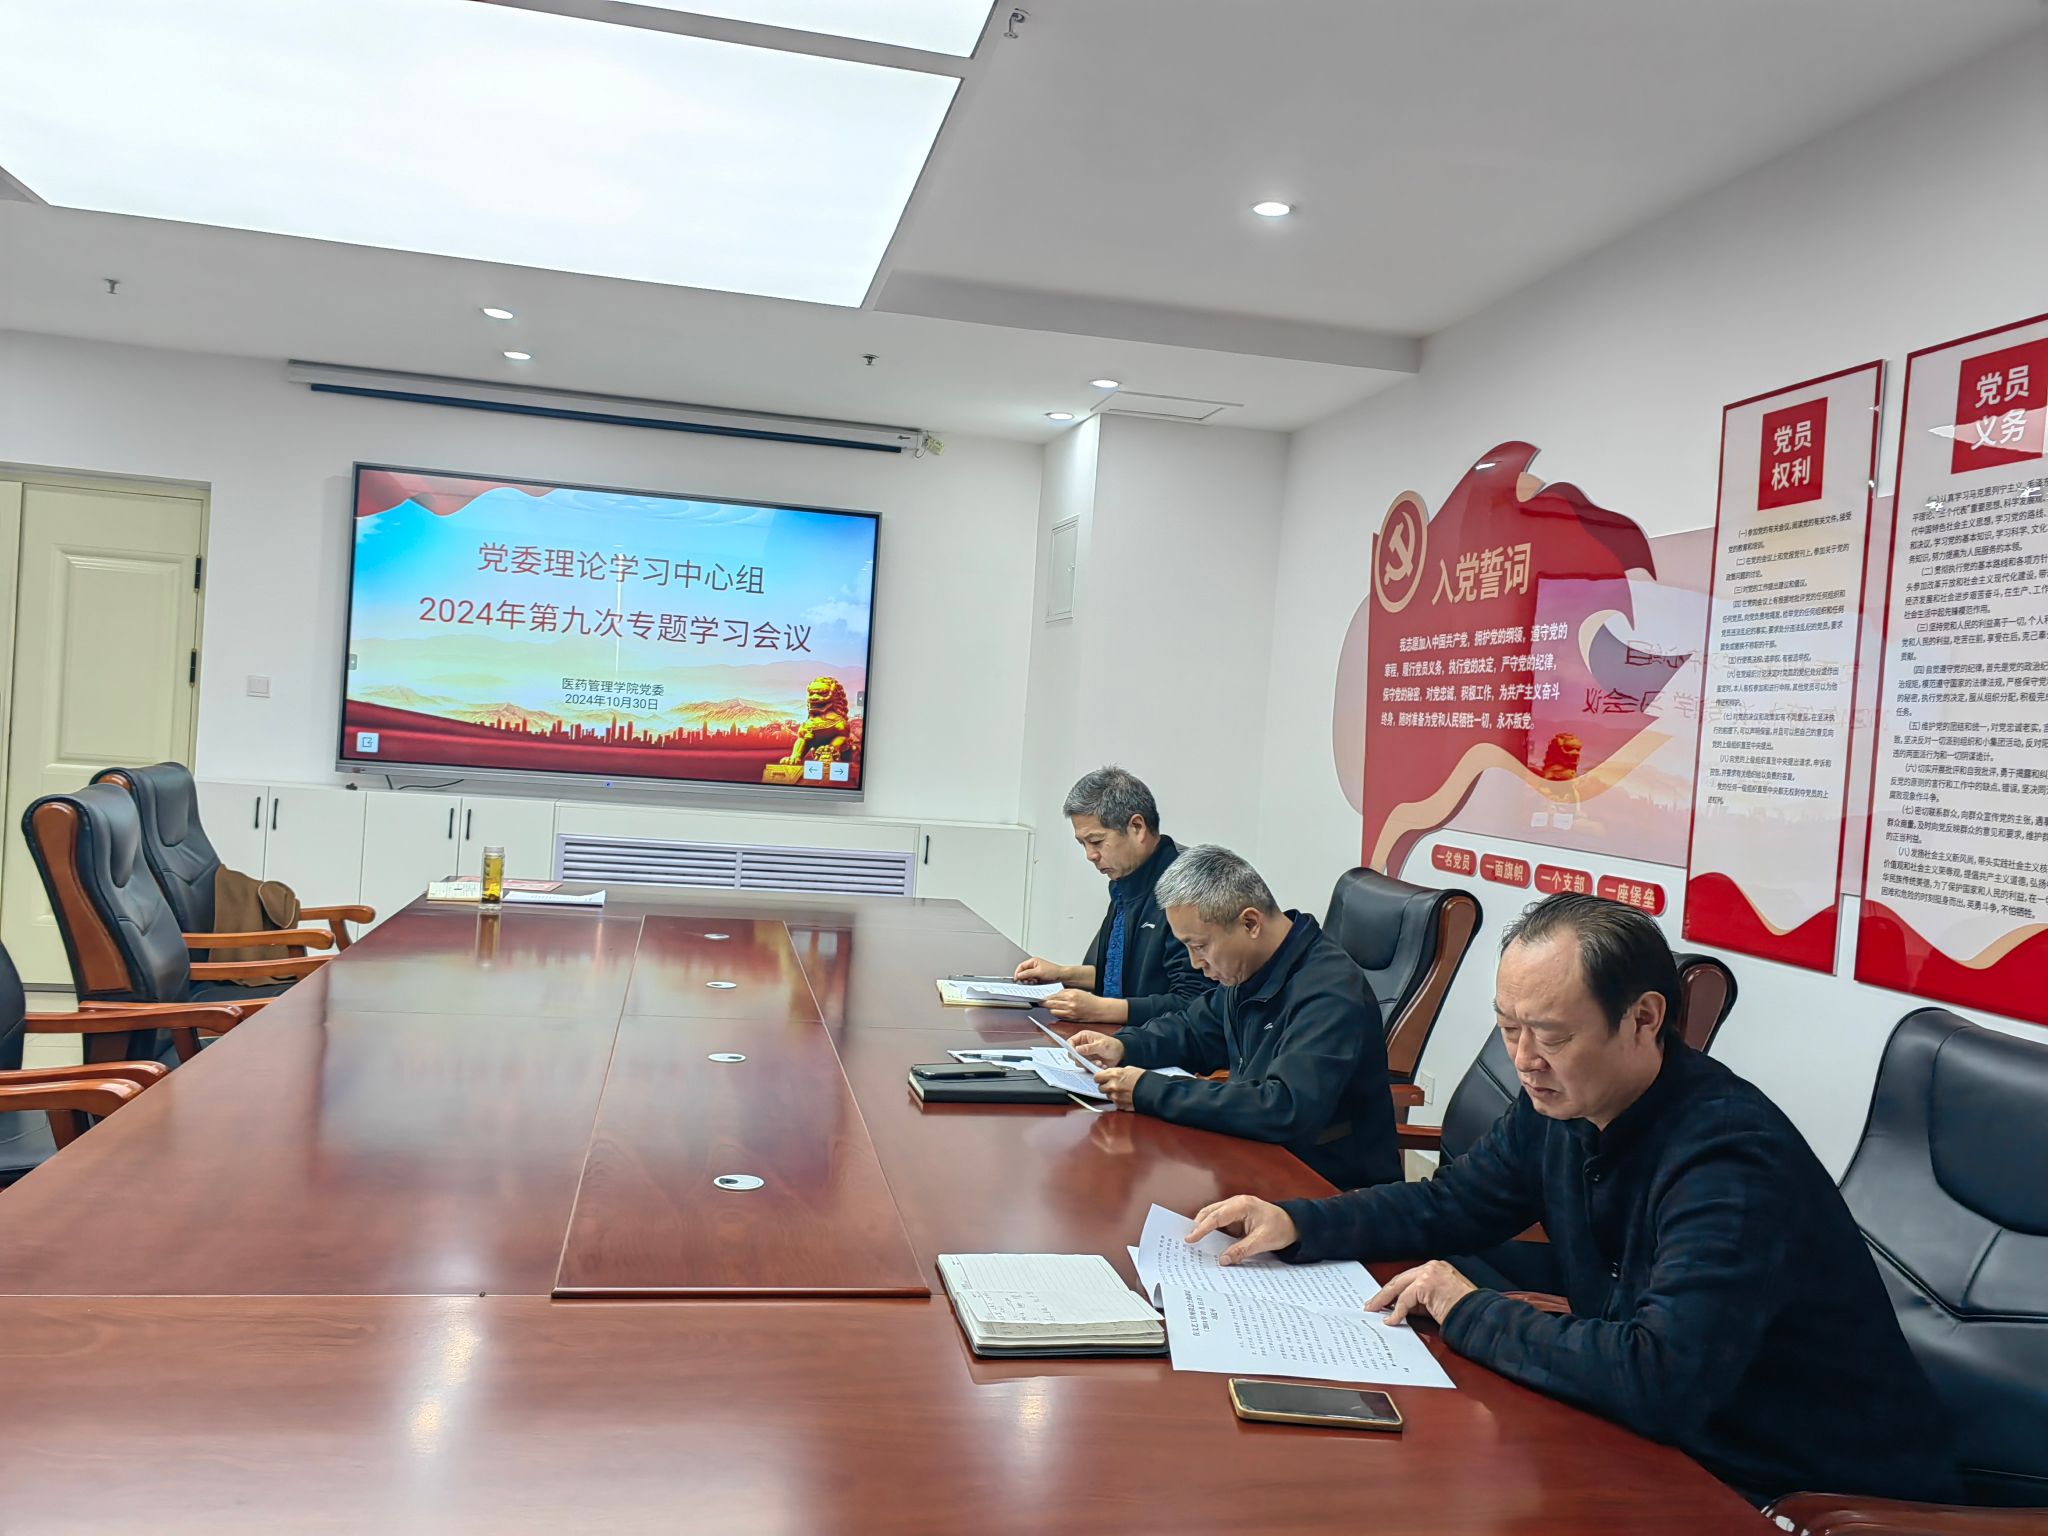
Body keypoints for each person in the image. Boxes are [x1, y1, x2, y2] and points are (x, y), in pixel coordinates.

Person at [1184, 892, 1961, 1509]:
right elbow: (1452, 1204)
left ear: (1645, 1019)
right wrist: (1297, 1221)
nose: (1524, 1061)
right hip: (1666, 1449)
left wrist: (1465, 1306)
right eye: (1507, 1029)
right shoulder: (1564, 1105)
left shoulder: (1729, 1159)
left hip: (1790, 1489)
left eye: (1550, 1035)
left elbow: (1660, 1380)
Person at [1065, 844, 1400, 1191]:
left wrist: (1148, 1090)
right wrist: (1123, 1046)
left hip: (1323, 1188)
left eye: (1199, 946)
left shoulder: (1330, 992)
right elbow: (1196, 1031)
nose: (1195, 963)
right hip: (1252, 1158)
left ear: (1250, 923)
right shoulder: (1254, 968)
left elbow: (1284, 1108)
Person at [1013, 767, 1211, 1026]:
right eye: (1082, 844)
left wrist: (1100, 1009)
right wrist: (1063, 974)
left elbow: (1196, 1002)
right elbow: (1124, 977)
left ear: (1137, 827)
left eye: (1096, 841)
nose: (1090, 855)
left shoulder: (1188, 888)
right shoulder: (1126, 881)